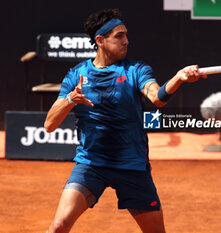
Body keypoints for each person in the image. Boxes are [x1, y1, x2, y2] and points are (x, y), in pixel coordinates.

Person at [44, 8, 204, 233]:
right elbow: (49, 125)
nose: (126, 41)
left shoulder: (136, 70)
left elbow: (157, 98)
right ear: (100, 40)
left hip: (132, 166)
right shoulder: (76, 75)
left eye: (126, 35)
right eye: (119, 36)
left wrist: (178, 78)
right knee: (59, 225)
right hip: (91, 164)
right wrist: (71, 98)